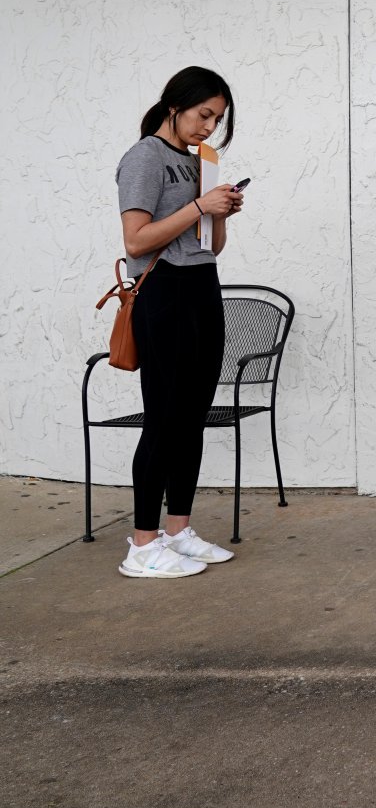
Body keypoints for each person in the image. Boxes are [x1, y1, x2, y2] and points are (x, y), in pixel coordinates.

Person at [114, 67, 246, 578]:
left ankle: (177, 531)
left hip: (201, 288)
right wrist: (197, 205)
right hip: (162, 292)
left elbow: (208, 245)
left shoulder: (198, 163)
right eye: (203, 115)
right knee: (163, 419)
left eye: (217, 119)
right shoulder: (144, 157)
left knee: (193, 418)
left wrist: (220, 215)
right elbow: (135, 242)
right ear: (176, 104)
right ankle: (142, 544)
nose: (209, 128)